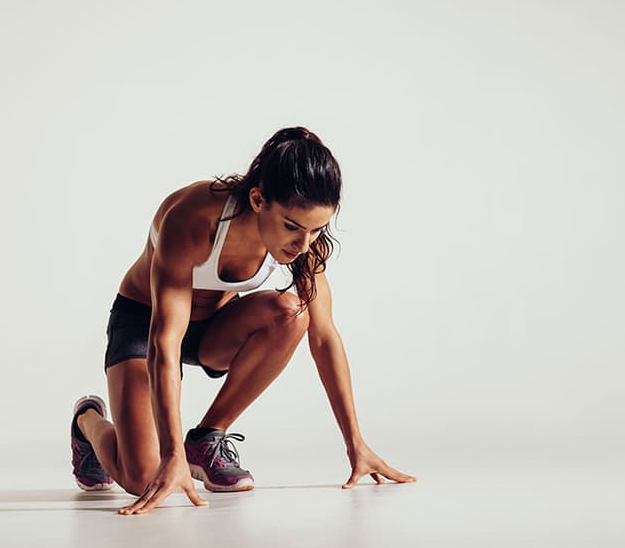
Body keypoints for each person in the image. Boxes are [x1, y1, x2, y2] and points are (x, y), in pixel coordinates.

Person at [70, 126, 416, 515]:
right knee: (143, 477)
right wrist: (171, 457)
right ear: (257, 199)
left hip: (213, 333)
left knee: (292, 313)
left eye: (317, 229)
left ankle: (205, 437)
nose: (304, 245)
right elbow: (163, 343)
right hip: (145, 323)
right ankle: (88, 422)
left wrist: (356, 443)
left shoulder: (304, 243)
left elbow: (324, 337)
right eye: (292, 227)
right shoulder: (192, 217)